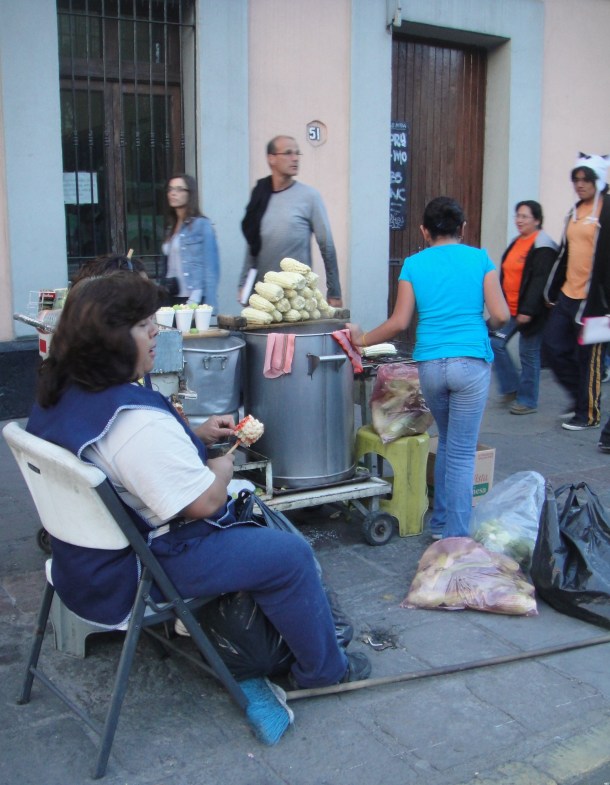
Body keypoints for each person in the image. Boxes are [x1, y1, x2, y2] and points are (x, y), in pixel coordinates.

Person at [26, 272, 370, 688]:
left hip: (78, 564)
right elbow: (204, 503)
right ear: (107, 339)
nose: (156, 331)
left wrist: (198, 436)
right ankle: (325, 671)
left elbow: (139, 462)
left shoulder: (63, 393)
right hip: (138, 568)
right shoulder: (133, 422)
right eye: (141, 325)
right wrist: (221, 469)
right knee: (289, 555)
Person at [348, 197, 509, 539]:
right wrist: (483, 321)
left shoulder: (412, 264)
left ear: (424, 231)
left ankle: (439, 525)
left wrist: (362, 340)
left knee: (448, 441)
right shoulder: (480, 259)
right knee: (463, 450)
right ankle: (456, 537)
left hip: (431, 365)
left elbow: (399, 321)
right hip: (470, 363)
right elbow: (502, 315)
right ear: (462, 228)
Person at [543, 153, 610, 436]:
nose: (580, 185)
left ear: (599, 181)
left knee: (590, 359)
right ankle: (580, 396)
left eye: (586, 179)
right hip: (568, 295)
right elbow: (565, 252)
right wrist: (552, 289)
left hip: (597, 302)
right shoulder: (575, 211)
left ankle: (589, 414)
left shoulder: (607, 209)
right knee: (553, 346)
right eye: (576, 179)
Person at [238, 135, 342, 307]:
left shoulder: (310, 197)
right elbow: (252, 243)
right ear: (271, 158)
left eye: (297, 153)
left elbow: (327, 245)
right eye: (287, 153)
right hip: (264, 295)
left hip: (297, 298)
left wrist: (334, 292)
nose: (294, 158)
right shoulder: (260, 195)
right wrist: (244, 284)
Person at [490, 201, 558, 415]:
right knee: (494, 342)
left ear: (537, 220)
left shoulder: (544, 245)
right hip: (509, 308)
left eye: (524, 216)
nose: (519, 220)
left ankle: (527, 400)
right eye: (517, 216)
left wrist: (527, 310)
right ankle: (511, 387)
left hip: (531, 311)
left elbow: (539, 280)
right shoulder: (517, 241)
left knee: (528, 353)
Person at [162, 173, 220, 310]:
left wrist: (210, 306)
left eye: (179, 189)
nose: (173, 193)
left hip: (194, 298)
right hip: (172, 296)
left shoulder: (202, 225)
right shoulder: (171, 227)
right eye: (170, 189)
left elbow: (211, 268)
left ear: (190, 194)